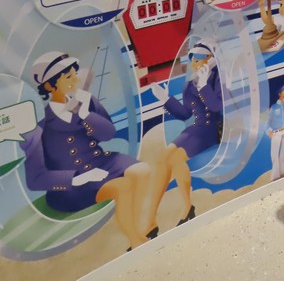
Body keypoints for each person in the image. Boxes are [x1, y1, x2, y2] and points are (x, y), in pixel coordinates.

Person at [24, 52, 152, 249]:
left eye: (75, 74)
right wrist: (77, 178)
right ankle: (136, 241)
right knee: (123, 187)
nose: (76, 79)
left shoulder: (87, 102)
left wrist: (85, 113)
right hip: (74, 185)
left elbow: (108, 134)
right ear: (49, 86)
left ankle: (142, 228)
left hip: (102, 162)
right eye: (68, 76)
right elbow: (35, 179)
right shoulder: (40, 127)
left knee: (143, 171)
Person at [150, 42, 224, 228]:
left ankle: (187, 206)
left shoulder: (218, 78)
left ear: (210, 59)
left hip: (211, 130)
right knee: (163, 157)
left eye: (198, 60)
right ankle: (152, 217)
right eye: (192, 60)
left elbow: (216, 106)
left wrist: (204, 86)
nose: (194, 64)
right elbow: (185, 114)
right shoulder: (189, 85)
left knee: (175, 159)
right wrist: (166, 99)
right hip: (195, 128)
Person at [267, 83, 284, 180]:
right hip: (276, 132)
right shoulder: (273, 107)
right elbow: (268, 121)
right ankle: (275, 176)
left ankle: (283, 172)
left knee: (283, 154)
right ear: (279, 93)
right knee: (274, 154)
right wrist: (269, 131)